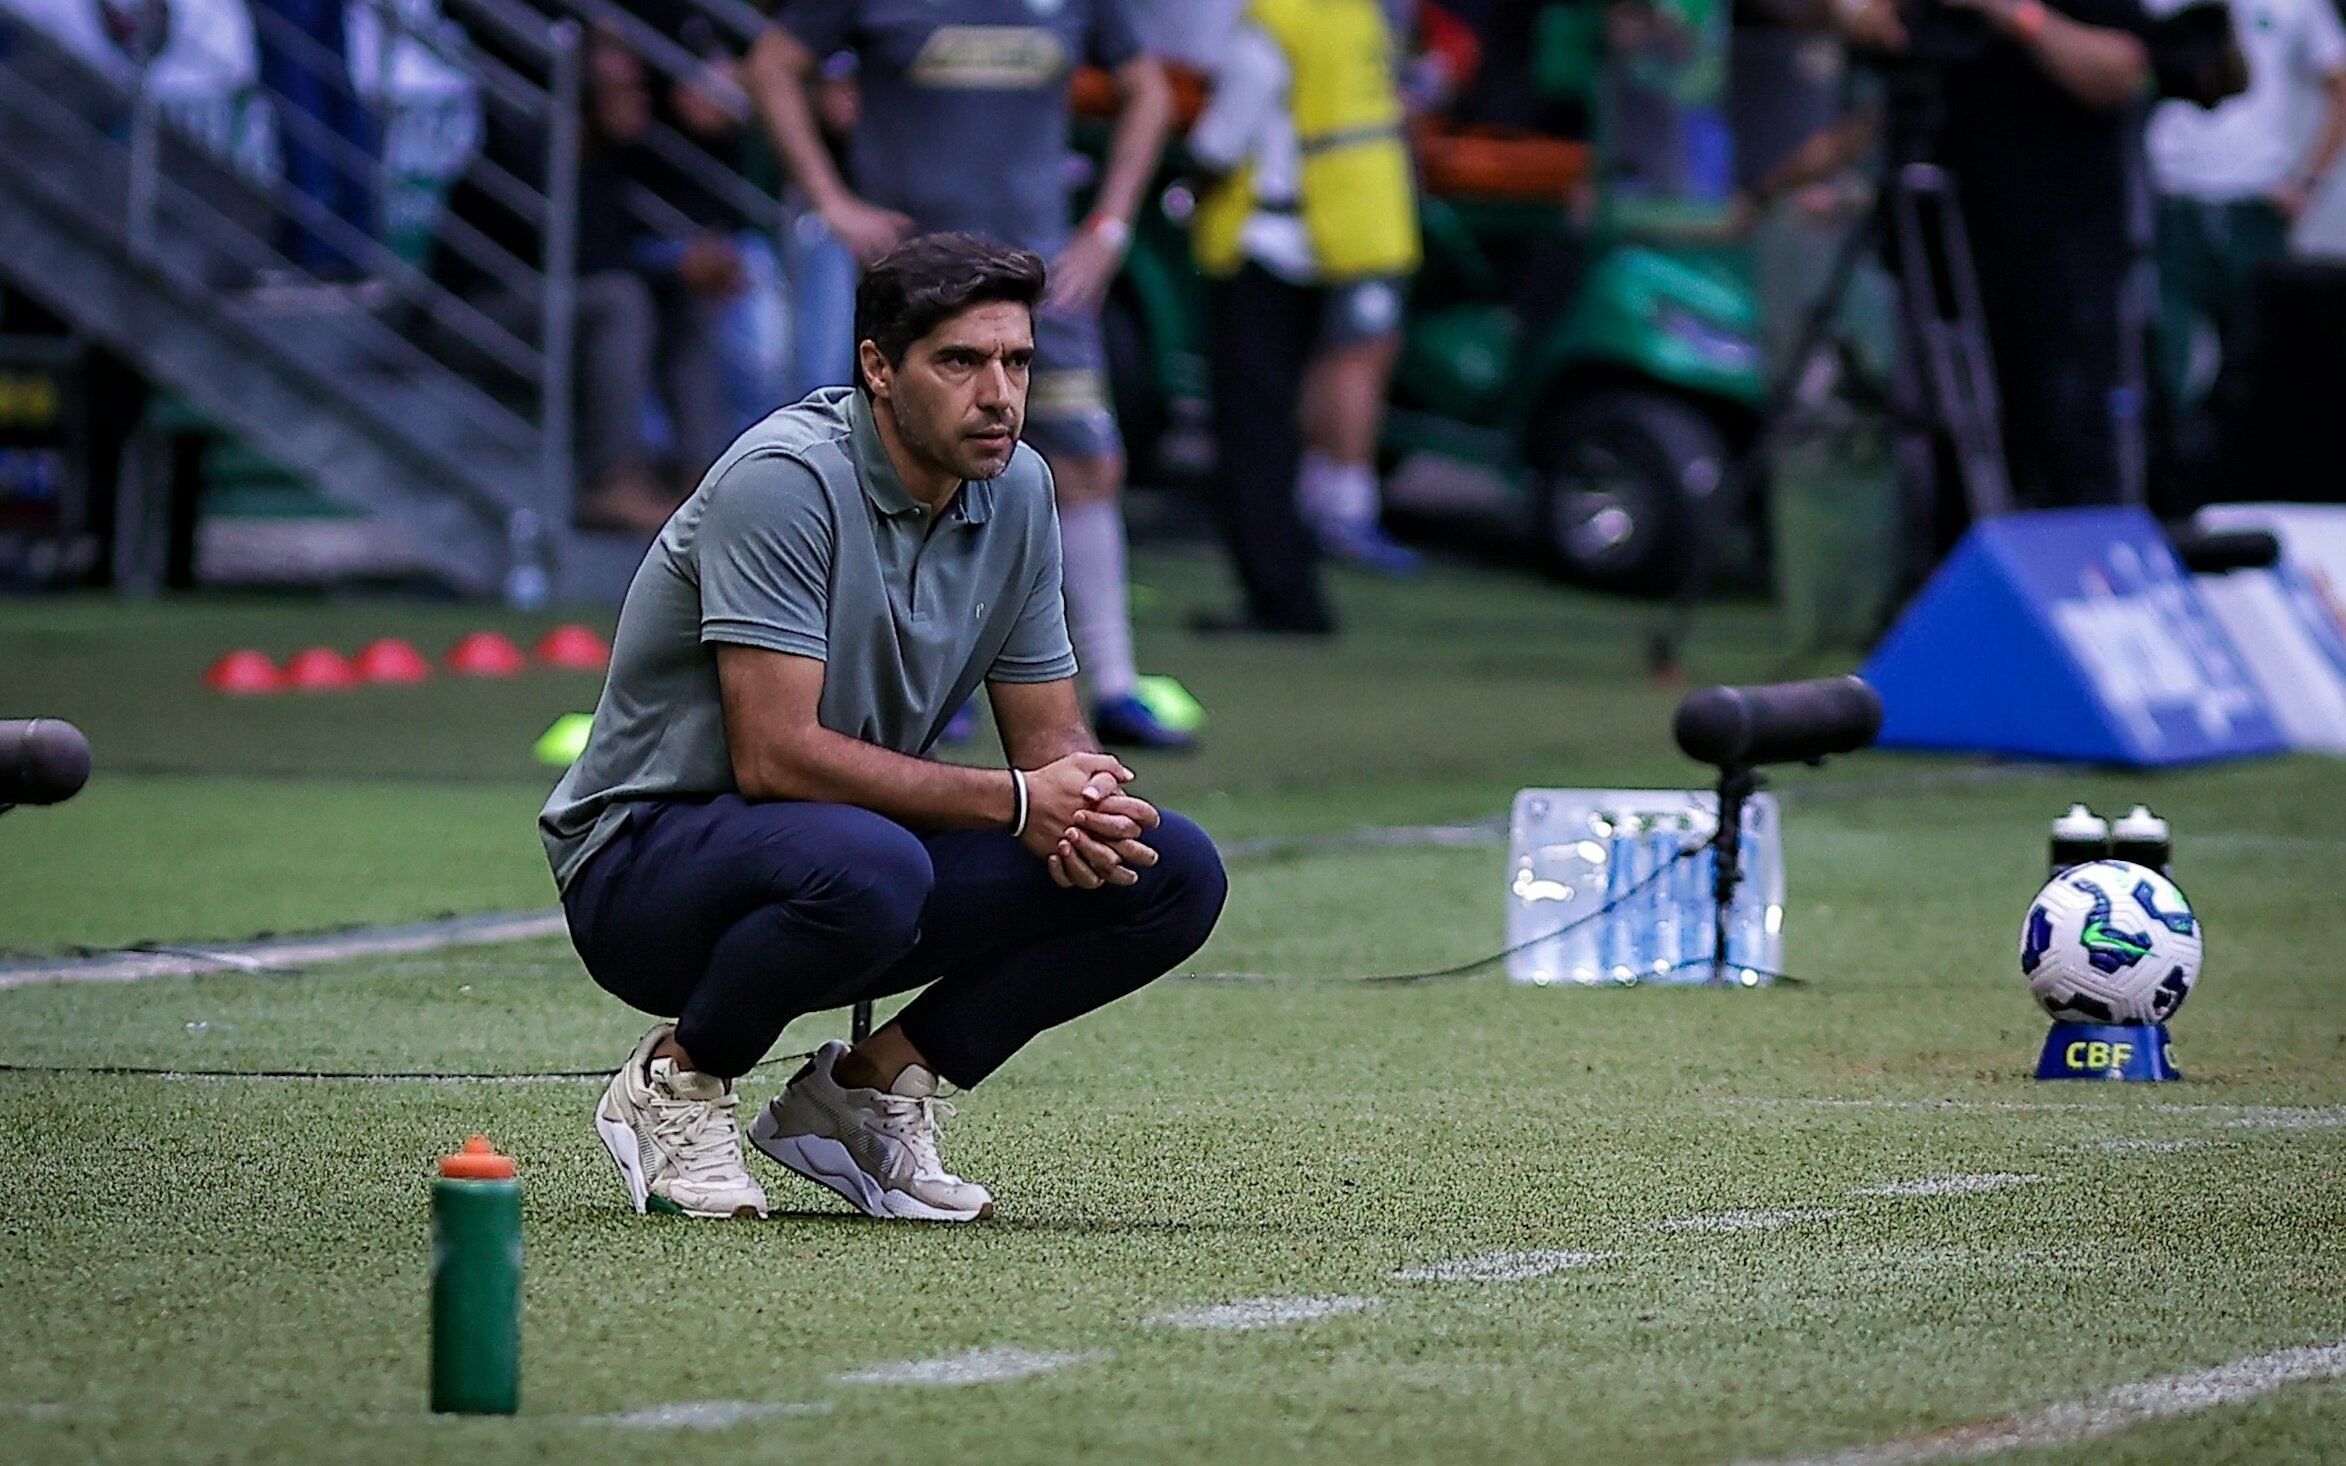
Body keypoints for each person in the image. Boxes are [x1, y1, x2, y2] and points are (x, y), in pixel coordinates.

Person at [543, 234, 1228, 1223]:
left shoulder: (1021, 486)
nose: (998, 393)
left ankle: (864, 1091)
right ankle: (678, 1079)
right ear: (877, 367)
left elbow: (1048, 735)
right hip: (644, 866)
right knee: (873, 869)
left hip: (844, 849)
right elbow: (773, 755)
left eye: (1017, 360)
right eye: (961, 361)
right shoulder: (784, 478)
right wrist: (1019, 801)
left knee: (1168, 869)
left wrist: (1089, 806)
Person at [745, 0, 1194, 749]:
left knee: (1087, 461)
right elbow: (771, 65)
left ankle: (1114, 684)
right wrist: (832, 203)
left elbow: (1148, 89)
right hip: (916, 289)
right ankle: (922, 686)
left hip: (1041, 279)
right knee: (904, 476)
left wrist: (1110, 226)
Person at [1837, 0, 2157, 514]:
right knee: (1948, 437)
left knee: (2068, 432)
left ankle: (2078, 576)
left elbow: (2122, 73)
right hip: (1943, 237)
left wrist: (2008, 11)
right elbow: (1867, 37)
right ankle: (1956, 568)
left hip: (2063, 252)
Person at [1186, 0, 1424, 634]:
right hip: (1332, 236)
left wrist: (1183, 188)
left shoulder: (1273, 25)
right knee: (1286, 419)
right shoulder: (1357, 17)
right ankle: (1295, 583)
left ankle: (1279, 594)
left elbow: (1222, 138)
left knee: (1251, 430)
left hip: (1262, 244)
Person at [2147, 0, 2346, 502]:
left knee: (2260, 378)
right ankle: (2172, 501)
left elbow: (2338, 80)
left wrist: (2307, 180)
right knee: (2168, 369)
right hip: (2171, 203)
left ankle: (2248, 505)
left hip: (2254, 206)